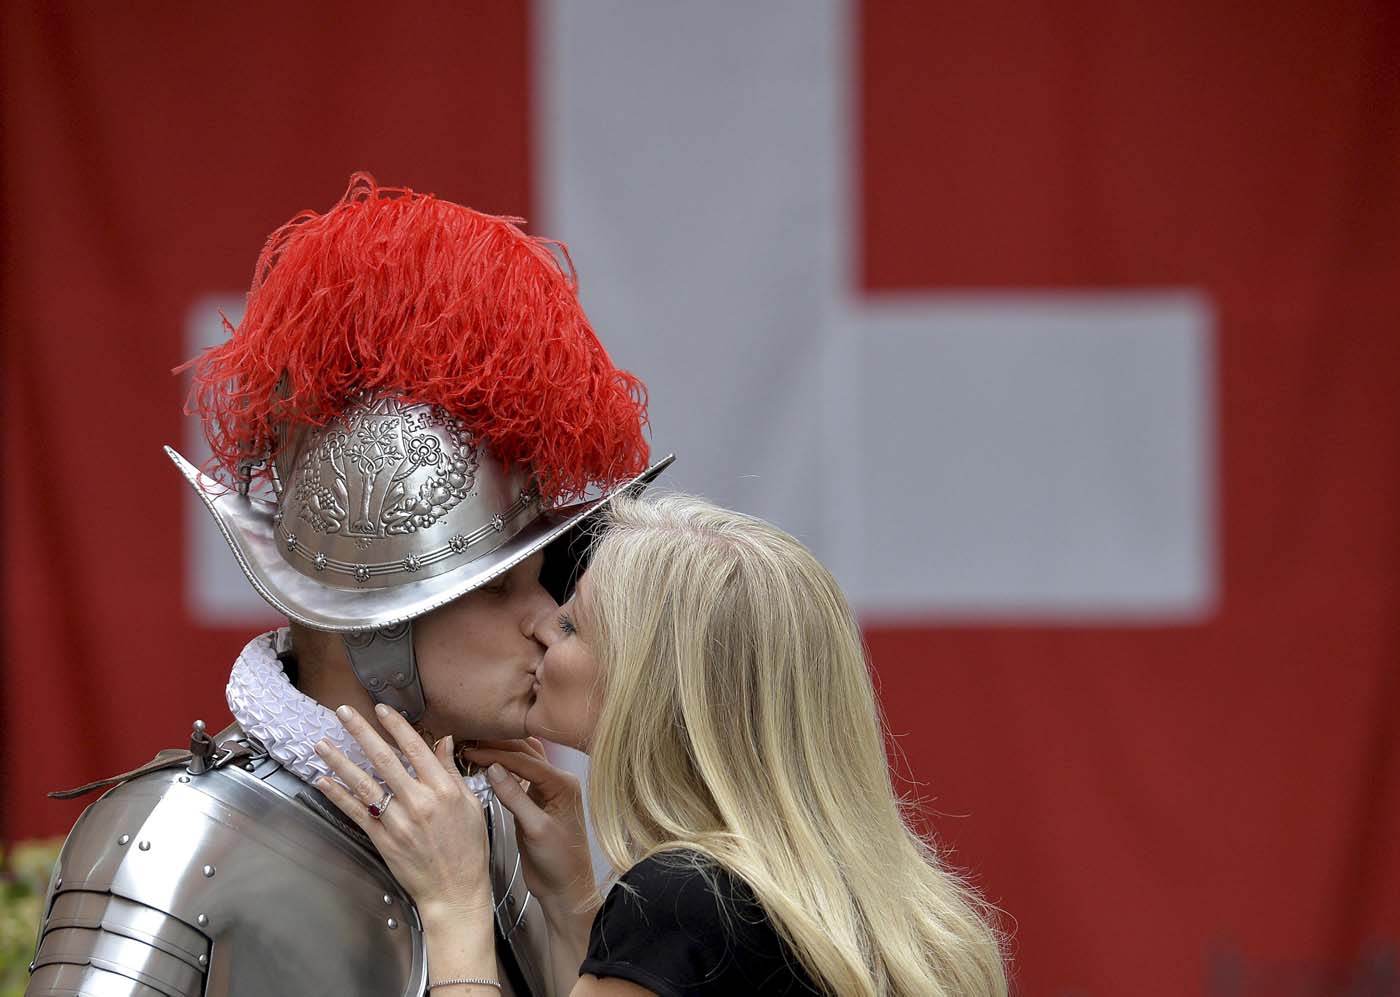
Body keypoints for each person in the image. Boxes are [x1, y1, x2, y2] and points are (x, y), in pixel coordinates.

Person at [26, 174, 669, 997]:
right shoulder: (165, 843)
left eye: (539, 581)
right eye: (499, 589)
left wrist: (577, 910)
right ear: (376, 617)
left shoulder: (501, 837)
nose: (549, 622)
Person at [317, 494, 1009, 996]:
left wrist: (457, 903)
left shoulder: (685, 901)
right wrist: (573, 905)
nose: (539, 628)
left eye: (571, 624)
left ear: (651, 684)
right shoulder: (864, 900)